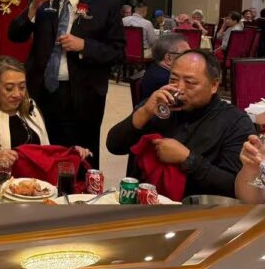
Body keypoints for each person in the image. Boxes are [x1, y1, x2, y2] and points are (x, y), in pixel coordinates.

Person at [8, 0, 125, 167]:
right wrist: (32, 7)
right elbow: (15, 35)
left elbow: (118, 52)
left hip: (83, 95)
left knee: (81, 158)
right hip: (41, 92)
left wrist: (84, 46)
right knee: (41, 152)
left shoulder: (105, 5)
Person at [107, 50, 254, 201]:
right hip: (142, 203)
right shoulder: (159, 106)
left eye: (190, 83)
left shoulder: (235, 122)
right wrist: (143, 112)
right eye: (173, 79)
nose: (179, 89)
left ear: (214, 85)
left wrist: (188, 159)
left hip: (195, 209)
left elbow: (233, 188)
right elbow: (114, 146)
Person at [139, 34, 191, 99]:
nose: (190, 57)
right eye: (185, 54)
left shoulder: (155, 66)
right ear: (169, 58)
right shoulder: (167, 80)